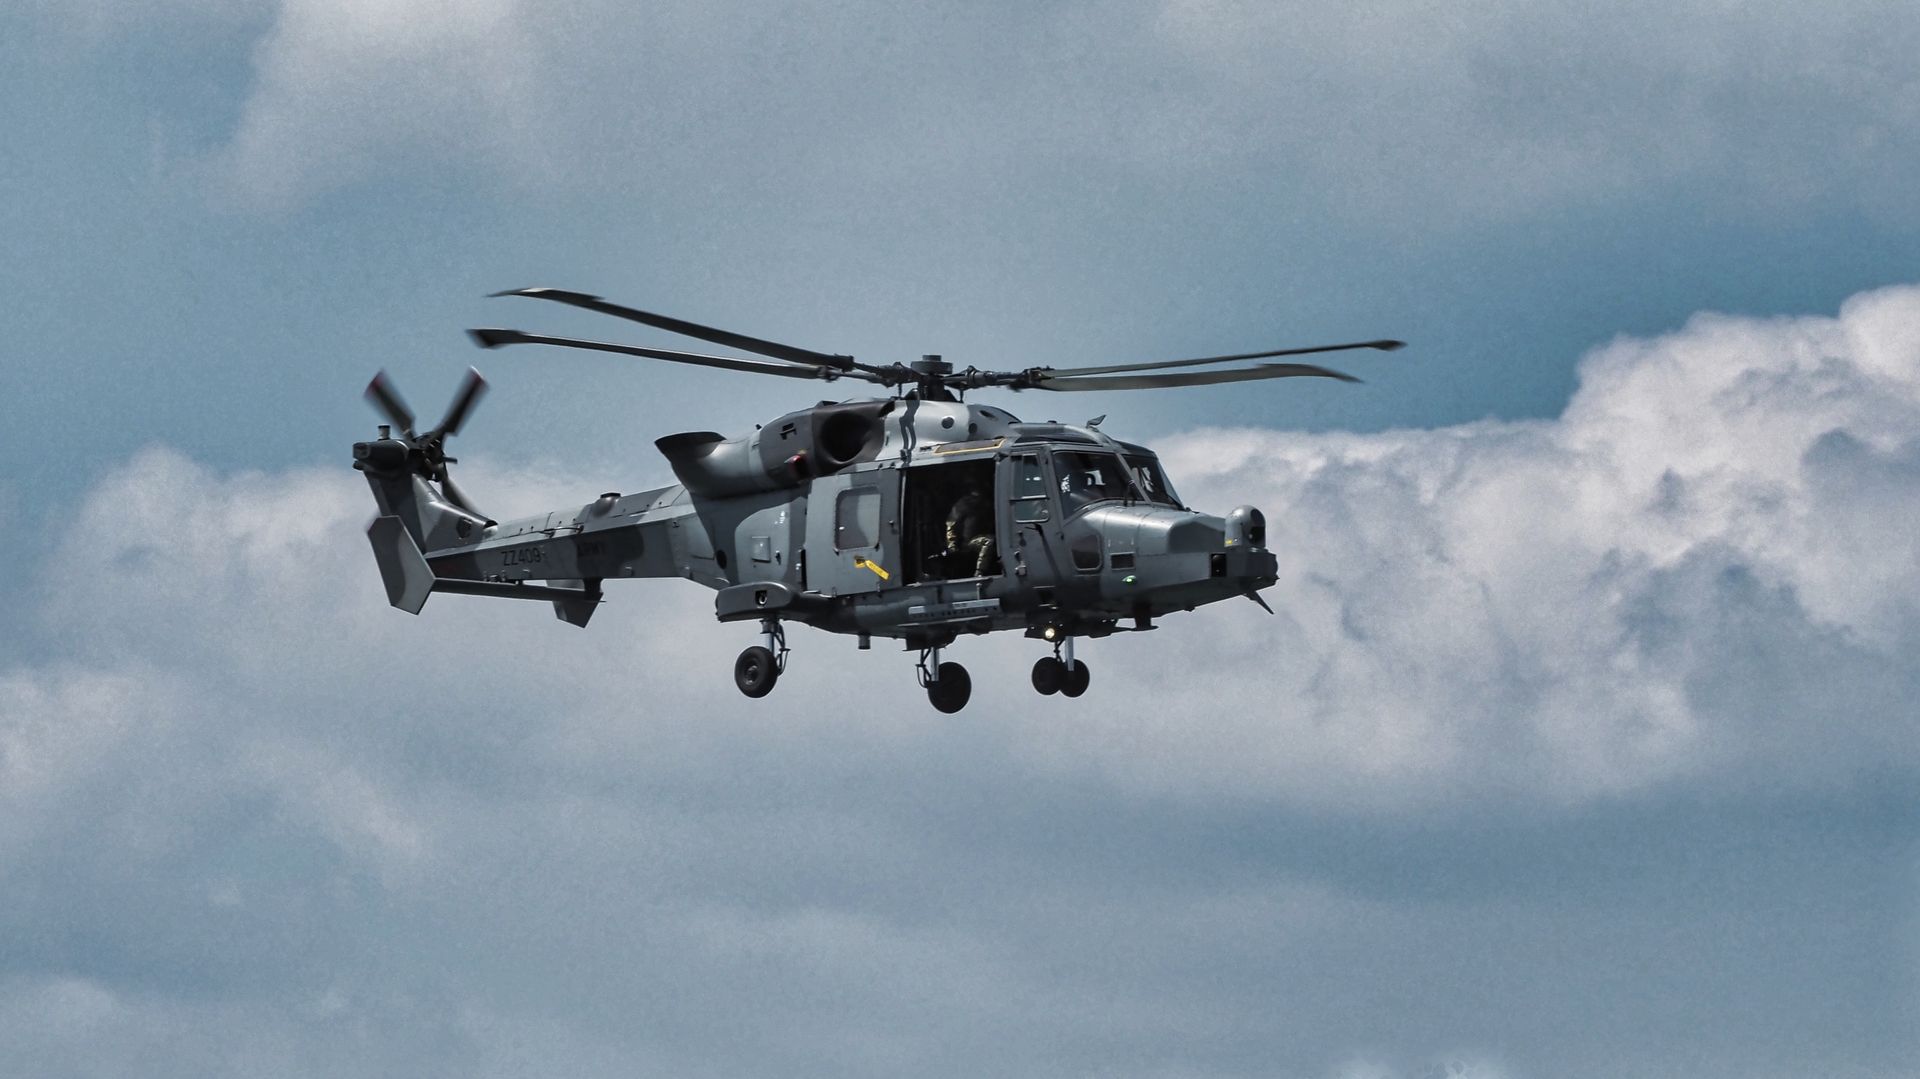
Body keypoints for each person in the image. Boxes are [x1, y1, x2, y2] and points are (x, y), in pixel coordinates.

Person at [944, 478, 995, 577]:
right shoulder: (964, 504)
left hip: (984, 536)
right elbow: (951, 525)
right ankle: (979, 573)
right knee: (989, 541)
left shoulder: (988, 503)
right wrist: (951, 546)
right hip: (969, 542)